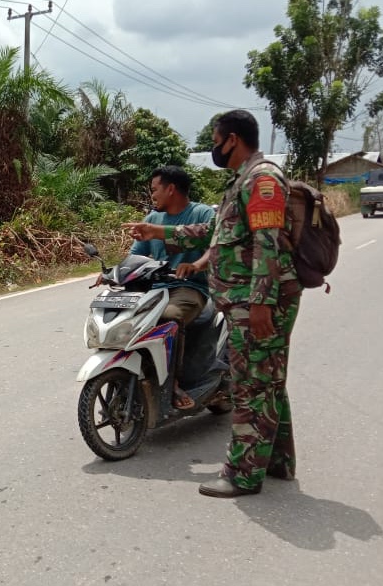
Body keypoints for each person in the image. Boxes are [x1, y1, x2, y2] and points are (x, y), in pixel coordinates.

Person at [124, 109, 302, 498]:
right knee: (268, 381)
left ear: (232, 140)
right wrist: (160, 230)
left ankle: (242, 474)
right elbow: (214, 231)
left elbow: (268, 244)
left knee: (250, 386)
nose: (213, 147)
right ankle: (278, 462)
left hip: (256, 301)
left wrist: (260, 304)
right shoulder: (243, 180)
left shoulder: (263, 179)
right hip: (244, 300)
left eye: (215, 139)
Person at [129, 166, 215, 411]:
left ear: (171, 189)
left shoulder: (201, 213)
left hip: (189, 287)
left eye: (154, 189)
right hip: (155, 289)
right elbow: (136, 256)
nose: (152, 195)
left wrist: (196, 265)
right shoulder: (152, 219)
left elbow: (214, 245)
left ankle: (173, 383)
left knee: (169, 317)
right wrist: (113, 274)